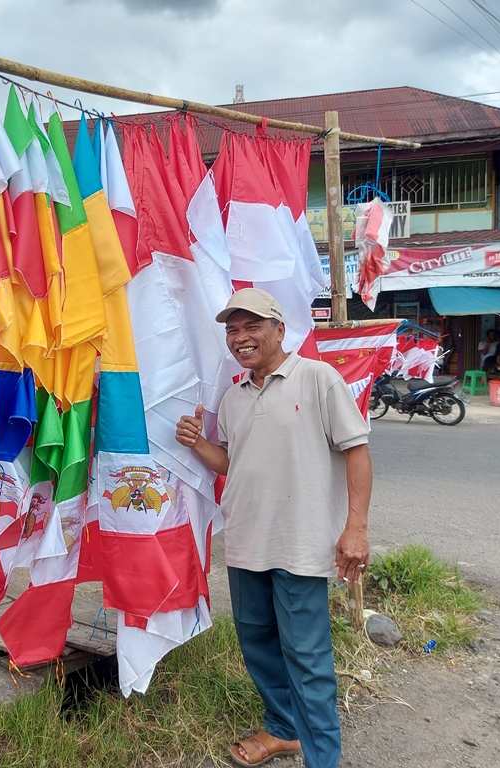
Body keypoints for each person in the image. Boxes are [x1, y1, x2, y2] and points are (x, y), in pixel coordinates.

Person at [175, 288, 372, 768]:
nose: (241, 338)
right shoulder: (234, 397)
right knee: (258, 645)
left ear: (280, 329)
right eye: (232, 330)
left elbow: (357, 451)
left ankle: (322, 758)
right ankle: (284, 729)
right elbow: (235, 462)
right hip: (246, 543)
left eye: (252, 326)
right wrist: (199, 444)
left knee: (307, 659)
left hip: (300, 545)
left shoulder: (318, 378)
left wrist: (356, 529)